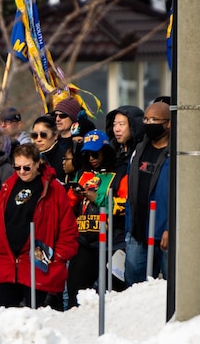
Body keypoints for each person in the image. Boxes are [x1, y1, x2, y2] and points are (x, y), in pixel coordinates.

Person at [0, 142, 78, 309]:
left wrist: (58, 256)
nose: (21, 172)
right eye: (17, 167)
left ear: (37, 164)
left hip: (38, 263)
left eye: (26, 168)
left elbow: (68, 227)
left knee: (36, 317)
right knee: (5, 316)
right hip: (8, 261)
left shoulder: (53, 188)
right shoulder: (8, 185)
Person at [68, 129, 126, 296]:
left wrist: (98, 198)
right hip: (85, 241)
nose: (91, 159)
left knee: (110, 295)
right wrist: (74, 195)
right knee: (75, 292)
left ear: (105, 152)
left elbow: (125, 206)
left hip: (112, 243)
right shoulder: (83, 173)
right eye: (87, 155)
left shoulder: (121, 173)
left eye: (95, 154)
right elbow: (69, 205)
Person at [124, 99, 171, 281]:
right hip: (138, 232)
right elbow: (131, 192)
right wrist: (130, 227)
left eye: (154, 120)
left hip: (165, 235)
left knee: (171, 288)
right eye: (145, 119)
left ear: (168, 124)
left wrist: (171, 228)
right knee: (135, 287)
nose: (148, 124)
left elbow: (182, 197)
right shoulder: (139, 151)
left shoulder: (176, 154)